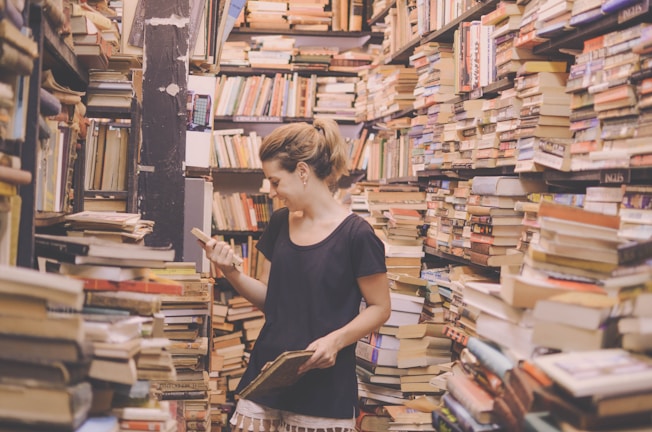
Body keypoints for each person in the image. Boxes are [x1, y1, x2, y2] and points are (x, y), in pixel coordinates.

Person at [202, 118, 391, 432]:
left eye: (276, 181)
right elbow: (272, 301)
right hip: (268, 376)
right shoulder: (279, 222)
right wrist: (230, 272)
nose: (272, 191)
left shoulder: (358, 235)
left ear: (302, 172)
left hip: (325, 391)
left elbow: (380, 307)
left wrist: (335, 341)